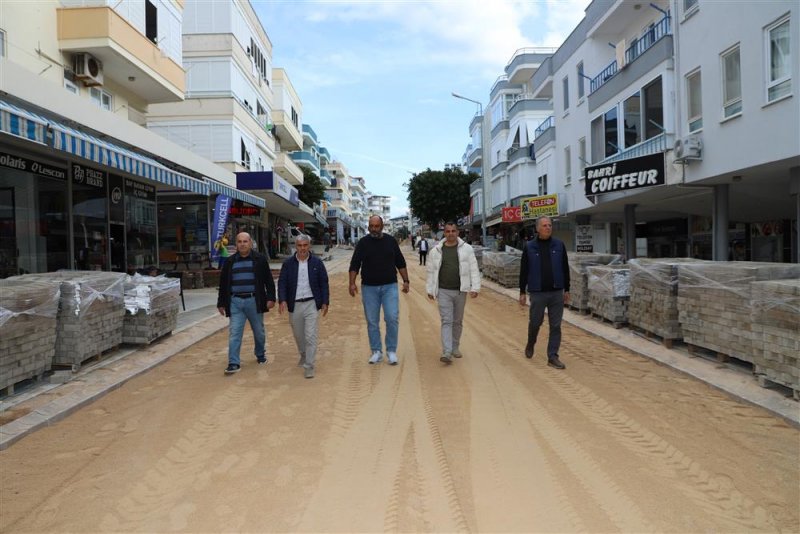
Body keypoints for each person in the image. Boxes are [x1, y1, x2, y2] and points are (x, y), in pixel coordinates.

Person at [349, 215, 410, 365]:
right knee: (372, 321)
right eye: (371, 226)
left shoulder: (391, 241)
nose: (374, 229)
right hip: (369, 288)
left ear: (382, 226)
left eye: (377, 226)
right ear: (368, 227)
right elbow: (355, 264)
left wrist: (406, 280)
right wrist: (352, 283)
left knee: (391, 318)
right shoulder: (363, 243)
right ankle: (376, 351)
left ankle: (391, 351)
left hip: (389, 286)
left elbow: (400, 262)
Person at [217, 232, 276, 374]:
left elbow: (269, 280)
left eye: (245, 241)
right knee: (235, 333)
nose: (242, 244)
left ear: (250, 243)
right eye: (239, 241)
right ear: (236, 244)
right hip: (235, 302)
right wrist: (221, 302)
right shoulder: (229, 262)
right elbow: (223, 283)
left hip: (254, 301)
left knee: (259, 332)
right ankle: (233, 362)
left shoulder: (260, 260)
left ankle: (260, 354)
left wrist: (271, 298)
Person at [518, 216, 570, 370]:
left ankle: (553, 356)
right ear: (538, 228)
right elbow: (524, 270)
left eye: (550, 225)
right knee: (535, 323)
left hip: (556, 292)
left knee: (556, 325)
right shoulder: (529, 247)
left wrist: (567, 289)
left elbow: (565, 268)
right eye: (545, 225)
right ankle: (531, 342)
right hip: (538, 293)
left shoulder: (559, 245)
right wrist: (522, 291)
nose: (548, 227)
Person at [426, 222, 481, 364]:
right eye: (448, 231)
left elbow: (473, 269)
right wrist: (430, 289)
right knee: (446, 320)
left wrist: (475, 287)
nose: (451, 233)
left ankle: (455, 346)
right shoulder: (436, 251)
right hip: (443, 291)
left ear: (458, 232)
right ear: (444, 233)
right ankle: (447, 351)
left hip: (460, 291)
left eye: (453, 231)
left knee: (457, 321)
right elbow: (431, 272)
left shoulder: (467, 249)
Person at [278, 234, 329, 379]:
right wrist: (282, 300)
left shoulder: (317, 263)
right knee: (299, 335)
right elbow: (282, 283)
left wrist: (325, 301)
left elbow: (324, 283)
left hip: (312, 304)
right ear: (296, 246)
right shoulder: (288, 264)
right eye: (299, 246)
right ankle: (303, 354)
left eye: (305, 245)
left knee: (310, 336)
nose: (302, 248)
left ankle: (309, 366)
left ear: (309, 246)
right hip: (295, 305)